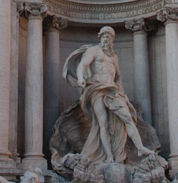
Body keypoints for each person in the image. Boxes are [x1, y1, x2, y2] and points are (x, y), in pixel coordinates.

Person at [64, 26, 152, 164]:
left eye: (109, 37)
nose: (106, 39)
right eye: (104, 36)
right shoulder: (93, 50)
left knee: (128, 118)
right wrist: (81, 78)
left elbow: (118, 75)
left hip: (112, 90)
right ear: (100, 38)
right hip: (97, 89)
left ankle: (140, 147)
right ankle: (109, 156)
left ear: (112, 40)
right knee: (102, 122)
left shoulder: (114, 57)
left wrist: (119, 88)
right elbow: (82, 65)